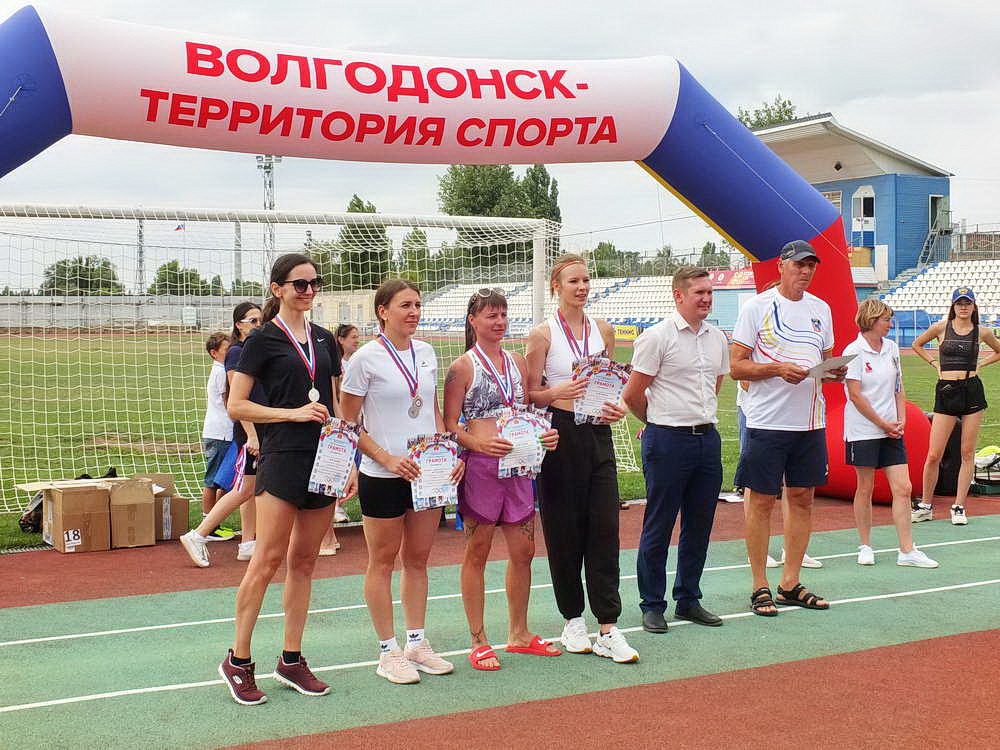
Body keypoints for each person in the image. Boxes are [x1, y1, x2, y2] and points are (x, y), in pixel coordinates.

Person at [218, 253, 352, 706]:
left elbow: (335, 403)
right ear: (277, 288)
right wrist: (291, 414)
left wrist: (349, 459)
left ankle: (291, 659)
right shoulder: (261, 340)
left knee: (306, 562)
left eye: (315, 283)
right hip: (282, 458)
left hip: (325, 460)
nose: (309, 291)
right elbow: (237, 405)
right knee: (267, 559)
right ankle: (238, 660)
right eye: (300, 284)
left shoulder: (324, 339)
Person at [341, 279, 464, 685]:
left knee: (418, 560)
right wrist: (386, 459)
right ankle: (387, 651)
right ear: (383, 311)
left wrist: (449, 454)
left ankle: (416, 643)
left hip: (426, 475)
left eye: (417, 305)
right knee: (382, 561)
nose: (414, 312)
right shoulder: (364, 359)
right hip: (382, 475)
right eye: (405, 305)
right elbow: (348, 423)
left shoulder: (426, 353)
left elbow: (431, 411)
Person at [525, 253, 638, 663]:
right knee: (563, 531)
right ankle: (572, 619)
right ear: (557, 286)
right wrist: (557, 392)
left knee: (605, 529)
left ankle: (608, 626)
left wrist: (616, 407)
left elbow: (610, 384)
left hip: (598, 433)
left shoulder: (603, 330)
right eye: (574, 281)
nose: (583, 287)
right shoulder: (542, 335)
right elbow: (529, 394)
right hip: (559, 435)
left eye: (586, 280)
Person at [443, 288, 561, 671]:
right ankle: (478, 639)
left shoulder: (517, 361)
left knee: (524, 551)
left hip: (519, 466)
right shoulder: (462, 367)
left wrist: (545, 435)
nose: (499, 321)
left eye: (503, 314)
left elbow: (526, 411)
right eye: (491, 315)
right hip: (481, 468)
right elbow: (449, 424)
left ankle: (519, 633)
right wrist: (477, 443)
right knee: (477, 552)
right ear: (473, 320)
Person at [730, 240, 846, 617]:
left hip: (809, 422)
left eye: (811, 266)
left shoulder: (821, 309)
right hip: (767, 421)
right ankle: (759, 584)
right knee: (762, 501)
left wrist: (835, 371)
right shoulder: (757, 307)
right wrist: (777, 369)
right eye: (799, 265)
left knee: (803, 498)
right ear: (781, 266)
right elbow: (736, 366)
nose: (806, 272)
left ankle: (790, 582)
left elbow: (826, 362)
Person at [622, 267, 729, 634]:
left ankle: (688, 599)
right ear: (678, 295)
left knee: (699, 525)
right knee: (660, 523)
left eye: (709, 292)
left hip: (706, 440)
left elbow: (714, 385)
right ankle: (652, 604)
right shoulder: (657, 337)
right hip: (667, 441)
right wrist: (656, 423)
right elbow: (633, 394)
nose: (706, 298)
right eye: (699, 292)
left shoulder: (718, 338)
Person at [844, 300, 938, 568]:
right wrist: (882, 423)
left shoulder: (892, 348)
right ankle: (865, 545)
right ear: (872, 320)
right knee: (866, 487)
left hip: (891, 430)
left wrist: (901, 420)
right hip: (863, 430)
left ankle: (907, 550)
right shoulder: (853, 351)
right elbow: (855, 396)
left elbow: (898, 387)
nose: (890, 323)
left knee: (904, 488)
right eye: (886, 319)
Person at [181, 303, 264, 566]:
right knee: (243, 489)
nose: (258, 325)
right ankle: (199, 534)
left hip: (259, 427)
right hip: (249, 430)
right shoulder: (237, 353)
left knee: (249, 488)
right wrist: (251, 435)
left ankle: (247, 542)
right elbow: (237, 398)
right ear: (238, 324)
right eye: (252, 320)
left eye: (260, 320)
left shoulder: (251, 349)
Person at [911, 287, 1000, 525]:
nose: (963, 307)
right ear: (953, 306)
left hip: (972, 391)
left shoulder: (982, 331)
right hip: (946, 391)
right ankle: (926, 505)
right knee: (934, 454)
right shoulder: (941, 328)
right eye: (959, 303)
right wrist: (934, 364)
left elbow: (998, 350)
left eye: (967, 303)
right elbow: (917, 344)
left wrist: (981, 364)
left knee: (967, 452)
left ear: (973, 306)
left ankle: (959, 506)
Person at [201, 331, 235, 540]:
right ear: (214, 353)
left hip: (221, 432)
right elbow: (227, 402)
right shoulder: (221, 371)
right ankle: (208, 527)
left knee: (222, 480)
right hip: (220, 433)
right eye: (226, 349)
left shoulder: (220, 369)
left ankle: (213, 522)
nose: (230, 352)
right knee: (213, 480)